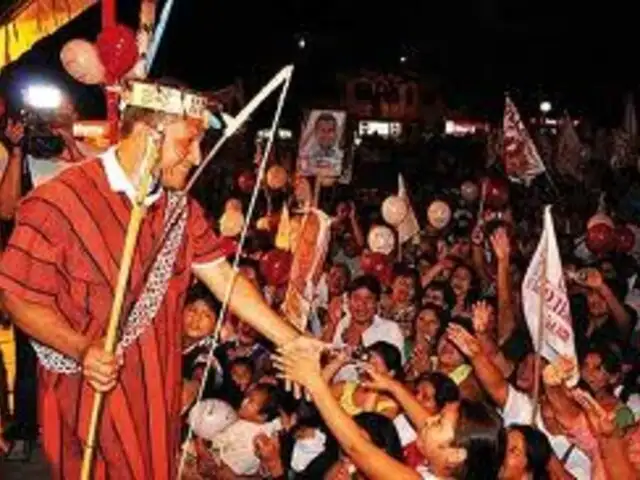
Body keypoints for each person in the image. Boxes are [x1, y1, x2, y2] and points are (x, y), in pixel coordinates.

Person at [0, 79, 316, 480]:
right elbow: (14, 296)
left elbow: (223, 276)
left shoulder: (179, 209)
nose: (197, 155)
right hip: (89, 398)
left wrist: (292, 339)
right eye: (188, 141)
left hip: (156, 399)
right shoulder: (58, 202)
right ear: (150, 134)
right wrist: (81, 348)